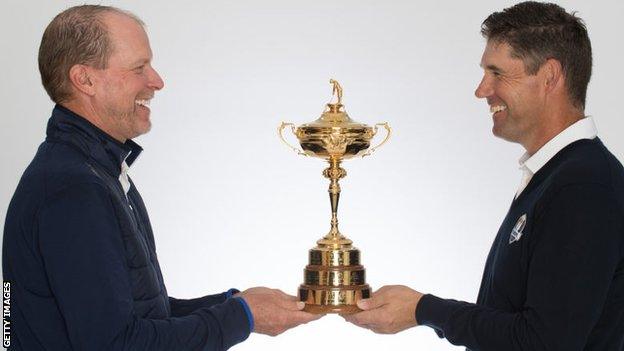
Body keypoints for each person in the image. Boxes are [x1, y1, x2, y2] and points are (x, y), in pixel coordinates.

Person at [2, 5, 319, 350]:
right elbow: (117, 345)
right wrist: (241, 317)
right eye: (139, 68)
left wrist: (238, 304)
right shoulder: (74, 189)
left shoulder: (97, 171)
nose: (157, 81)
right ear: (85, 80)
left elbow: (143, 317)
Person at [344, 2, 624, 350]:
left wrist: (424, 309)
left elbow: (543, 342)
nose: (482, 89)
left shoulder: (583, 186)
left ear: (550, 76)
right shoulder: (556, 177)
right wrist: (423, 310)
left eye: (497, 73)